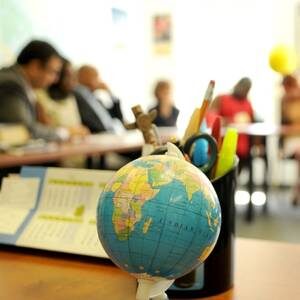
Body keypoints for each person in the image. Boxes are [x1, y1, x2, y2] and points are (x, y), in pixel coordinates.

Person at [0, 40, 67, 141]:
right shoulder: (11, 84)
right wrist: (64, 133)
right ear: (34, 66)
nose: (55, 80)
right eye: (52, 72)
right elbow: (23, 129)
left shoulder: (17, 82)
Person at [35, 59, 89, 138]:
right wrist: (71, 131)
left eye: (74, 76)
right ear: (57, 76)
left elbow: (80, 129)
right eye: (68, 76)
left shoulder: (70, 97)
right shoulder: (38, 95)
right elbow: (49, 130)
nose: (74, 81)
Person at [210, 77, 254, 159]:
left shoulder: (247, 104)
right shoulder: (221, 98)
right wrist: (232, 120)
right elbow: (211, 119)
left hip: (241, 148)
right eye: (242, 86)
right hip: (221, 144)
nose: (243, 90)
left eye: (246, 88)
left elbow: (251, 121)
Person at [74, 65, 124, 134]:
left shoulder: (95, 99)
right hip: (99, 136)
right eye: (95, 77)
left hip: (112, 134)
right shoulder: (78, 94)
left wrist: (110, 93)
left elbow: (118, 116)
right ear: (84, 77)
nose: (99, 81)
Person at [281, 75, 300, 205]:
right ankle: (297, 189)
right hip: (291, 140)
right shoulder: (284, 101)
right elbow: (284, 127)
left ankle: (296, 189)